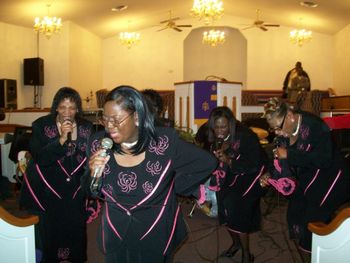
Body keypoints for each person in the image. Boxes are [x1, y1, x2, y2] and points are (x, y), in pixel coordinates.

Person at [83, 85, 217, 263]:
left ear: (137, 117)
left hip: (155, 231)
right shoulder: (98, 143)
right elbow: (90, 191)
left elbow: (207, 163)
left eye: (116, 119)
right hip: (116, 232)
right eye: (105, 119)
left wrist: (173, 186)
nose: (109, 126)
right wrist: (94, 175)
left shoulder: (164, 143)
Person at [261, 97, 350, 263]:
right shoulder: (284, 132)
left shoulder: (316, 127)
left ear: (290, 116)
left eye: (279, 127)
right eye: (273, 129)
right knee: (294, 218)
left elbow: (324, 161)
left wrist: (290, 154)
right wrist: (270, 174)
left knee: (310, 227)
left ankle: (316, 255)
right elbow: (279, 159)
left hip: (331, 179)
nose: (278, 132)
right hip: (307, 178)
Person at [19, 87, 94, 262]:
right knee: (51, 233)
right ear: (56, 108)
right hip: (48, 189)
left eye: (72, 108)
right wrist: (61, 139)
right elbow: (40, 158)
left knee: (75, 230)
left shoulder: (86, 127)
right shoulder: (41, 125)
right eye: (62, 107)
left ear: (77, 109)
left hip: (75, 188)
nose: (67, 112)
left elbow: (89, 155)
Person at [207, 106, 267, 263]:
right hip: (233, 172)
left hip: (254, 173)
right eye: (216, 127)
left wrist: (227, 160)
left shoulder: (246, 136)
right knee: (223, 203)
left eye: (223, 126)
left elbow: (252, 164)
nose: (219, 130)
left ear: (231, 125)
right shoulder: (215, 137)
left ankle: (247, 254)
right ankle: (236, 243)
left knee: (235, 205)